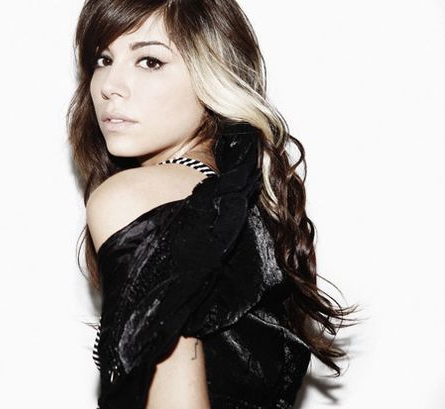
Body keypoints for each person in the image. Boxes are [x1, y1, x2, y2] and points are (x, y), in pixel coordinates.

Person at [66, 1, 356, 408]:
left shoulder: (131, 199)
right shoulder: (243, 203)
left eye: (150, 61)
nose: (110, 86)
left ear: (213, 75)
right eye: (103, 59)